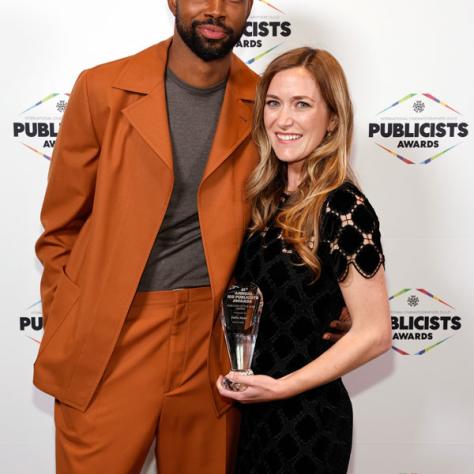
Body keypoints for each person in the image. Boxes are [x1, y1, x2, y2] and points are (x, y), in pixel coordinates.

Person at [217, 47, 392, 474]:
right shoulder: (262, 200)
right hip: (252, 416)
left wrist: (280, 388)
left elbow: (375, 334)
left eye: (302, 105)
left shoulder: (345, 207)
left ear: (332, 119)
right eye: (274, 103)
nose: (283, 119)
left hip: (307, 425)